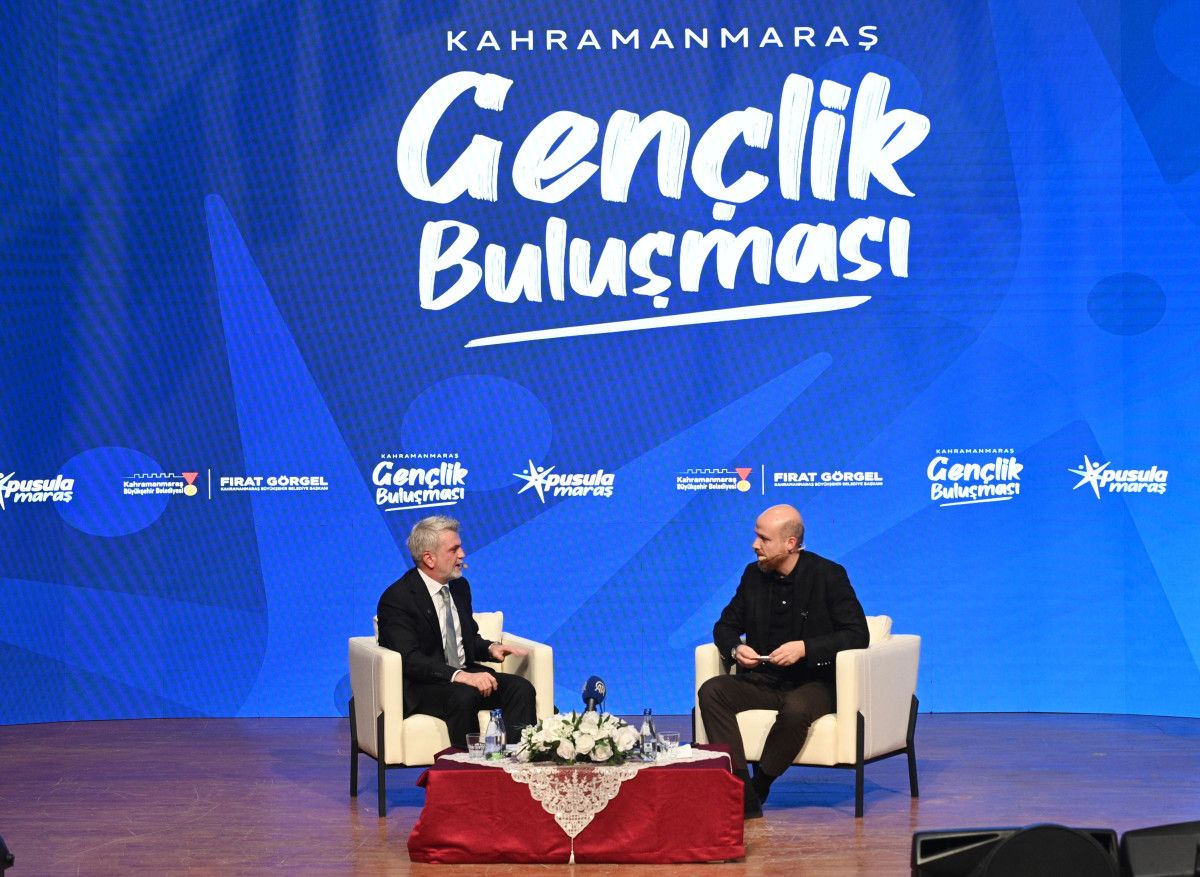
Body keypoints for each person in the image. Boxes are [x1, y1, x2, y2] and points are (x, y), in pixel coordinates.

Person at [698, 504, 868, 818]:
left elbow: (857, 635)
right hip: (763, 680)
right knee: (712, 691)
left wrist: (805, 648)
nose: (755, 545)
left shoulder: (828, 575)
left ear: (790, 543)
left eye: (763, 539)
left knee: (797, 707)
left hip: (815, 683)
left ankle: (759, 785)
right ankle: (740, 790)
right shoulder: (752, 575)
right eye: (756, 536)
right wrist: (736, 649)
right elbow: (724, 626)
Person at [377, 515, 536, 749]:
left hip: (464, 676)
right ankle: (468, 766)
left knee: (520, 688)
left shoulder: (460, 587)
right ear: (429, 558)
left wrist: (490, 648)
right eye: (454, 549)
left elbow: (467, 638)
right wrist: (460, 676)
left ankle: (515, 760)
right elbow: (410, 659)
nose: (462, 554)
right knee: (464, 695)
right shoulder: (397, 598)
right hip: (424, 686)